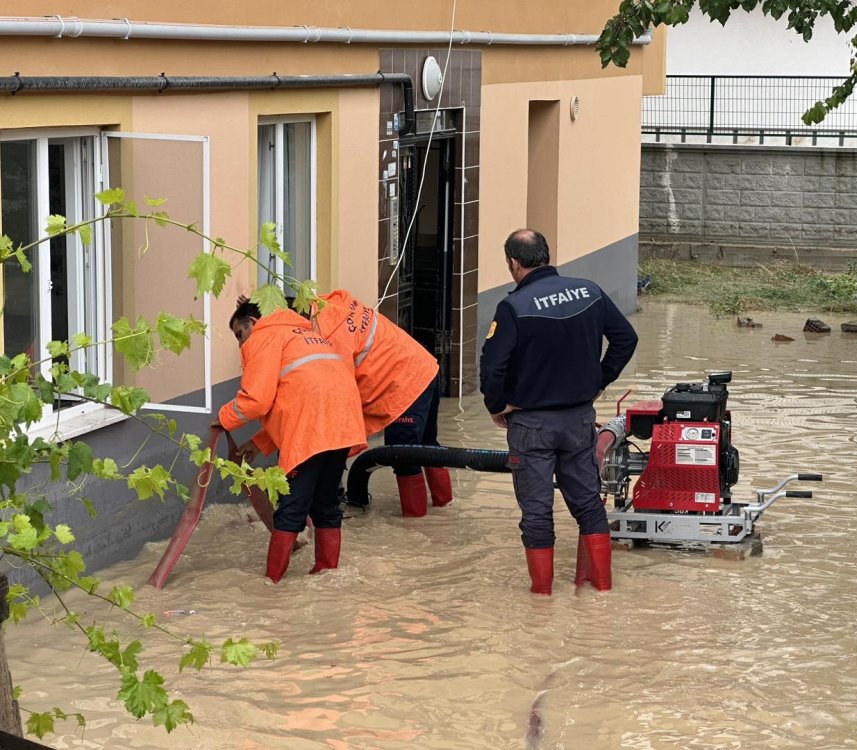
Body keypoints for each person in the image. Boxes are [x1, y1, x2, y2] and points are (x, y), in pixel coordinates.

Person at [479, 228, 638, 595]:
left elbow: (492, 366)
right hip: (580, 420)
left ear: (513, 263)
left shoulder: (514, 306)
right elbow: (626, 339)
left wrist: (496, 405)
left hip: (531, 424)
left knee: (537, 513)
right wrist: (600, 380)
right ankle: (601, 589)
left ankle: (542, 600)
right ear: (547, 256)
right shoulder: (589, 291)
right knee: (587, 505)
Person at [217, 300, 367, 583]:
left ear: (252, 321)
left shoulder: (262, 337)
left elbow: (257, 402)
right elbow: (297, 395)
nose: (240, 345)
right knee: (326, 502)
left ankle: (272, 584)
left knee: (292, 506)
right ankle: (327, 573)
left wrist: (222, 418)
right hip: (342, 423)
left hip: (314, 427)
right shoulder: (305, 333)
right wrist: (259, 443)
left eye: (239, 334)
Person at [311, 289, 451, 517]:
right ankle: (445, 509)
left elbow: (341, 394)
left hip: (403, 386)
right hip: (424, 368)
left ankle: (415, 525)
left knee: (403, 455)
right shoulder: (335, 307)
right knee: (428, 446)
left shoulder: (330, 338)